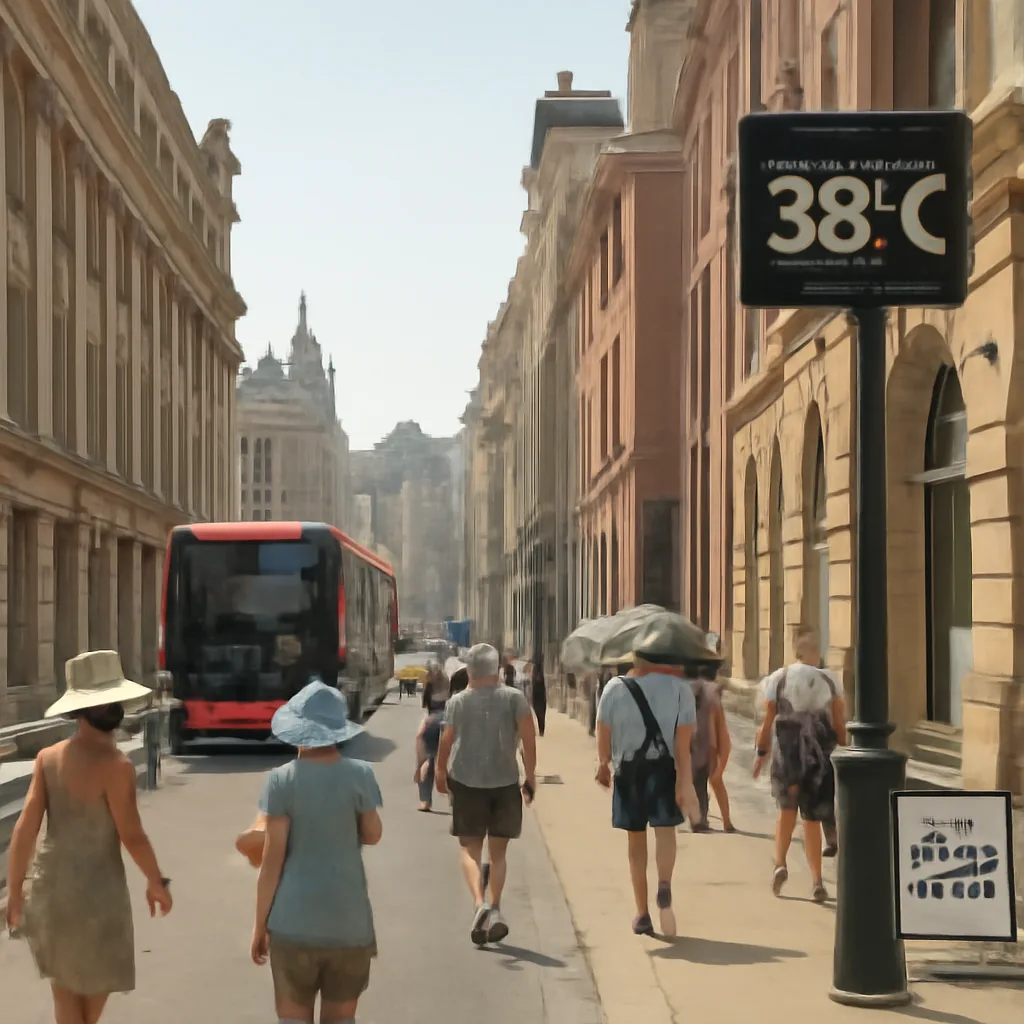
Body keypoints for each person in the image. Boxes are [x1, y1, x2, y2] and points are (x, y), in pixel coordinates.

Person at [5, 650, 173, 1024]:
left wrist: (16, 895)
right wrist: (156, 881)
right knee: (89, 1010)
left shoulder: (47, 758)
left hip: (51, 892)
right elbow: (132, 835)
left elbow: (25, 829)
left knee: (64, 1000)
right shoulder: (117, 767)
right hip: (99, 898)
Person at [252, 679, 383, 1023]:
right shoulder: (361, 774)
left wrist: (259, 926)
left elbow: (271, 861)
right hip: (349, 924)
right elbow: (373, 834)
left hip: (292, 924)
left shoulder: (281, 780)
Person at [595, 614, 712, 937]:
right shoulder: (681, 690)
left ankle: (642, 912)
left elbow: (602, 738)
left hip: (629, 769)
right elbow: (683, 744)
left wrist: (603, 765)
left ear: (636, 658)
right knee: (665, 832)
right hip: (664, 768)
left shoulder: (614, 689)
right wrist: (684, 783)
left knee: (635, 842)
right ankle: (664, 883)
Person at [435, 643, 536, 946]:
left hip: (466, 782)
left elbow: (446, 739)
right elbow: (529, 739)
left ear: (469, 670)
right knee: (499, 853)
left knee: (469, 849)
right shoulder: (514, 698)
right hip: (504, 782)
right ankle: (495, 906)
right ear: (496, 669)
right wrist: (530, 777)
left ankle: (479, 903)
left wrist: (440, 771)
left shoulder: (458, 701)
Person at [754, 625, 846, 903]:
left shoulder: (778, 679)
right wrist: (845, 747)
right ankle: (817, 880)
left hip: (787, 758)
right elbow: (840, 724)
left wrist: (760, 755)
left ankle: (780, 863)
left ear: (795, 651)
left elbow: (767, 723)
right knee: (812, 820)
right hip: (819, 760)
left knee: (786, 813)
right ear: (814, 653)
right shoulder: (830, 681)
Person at [414, 707, 445, 811]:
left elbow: (426, 706)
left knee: (428, 758)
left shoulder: (429, 691)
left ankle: (425, 800)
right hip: (455, 717)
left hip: (432, 721)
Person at [530, 660, 548, 738]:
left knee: (539, 714)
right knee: (541, 715)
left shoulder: (536, 677)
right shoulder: (539, 677)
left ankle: (541, 730)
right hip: (540, 698)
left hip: (538, 698)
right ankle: (541, 730)